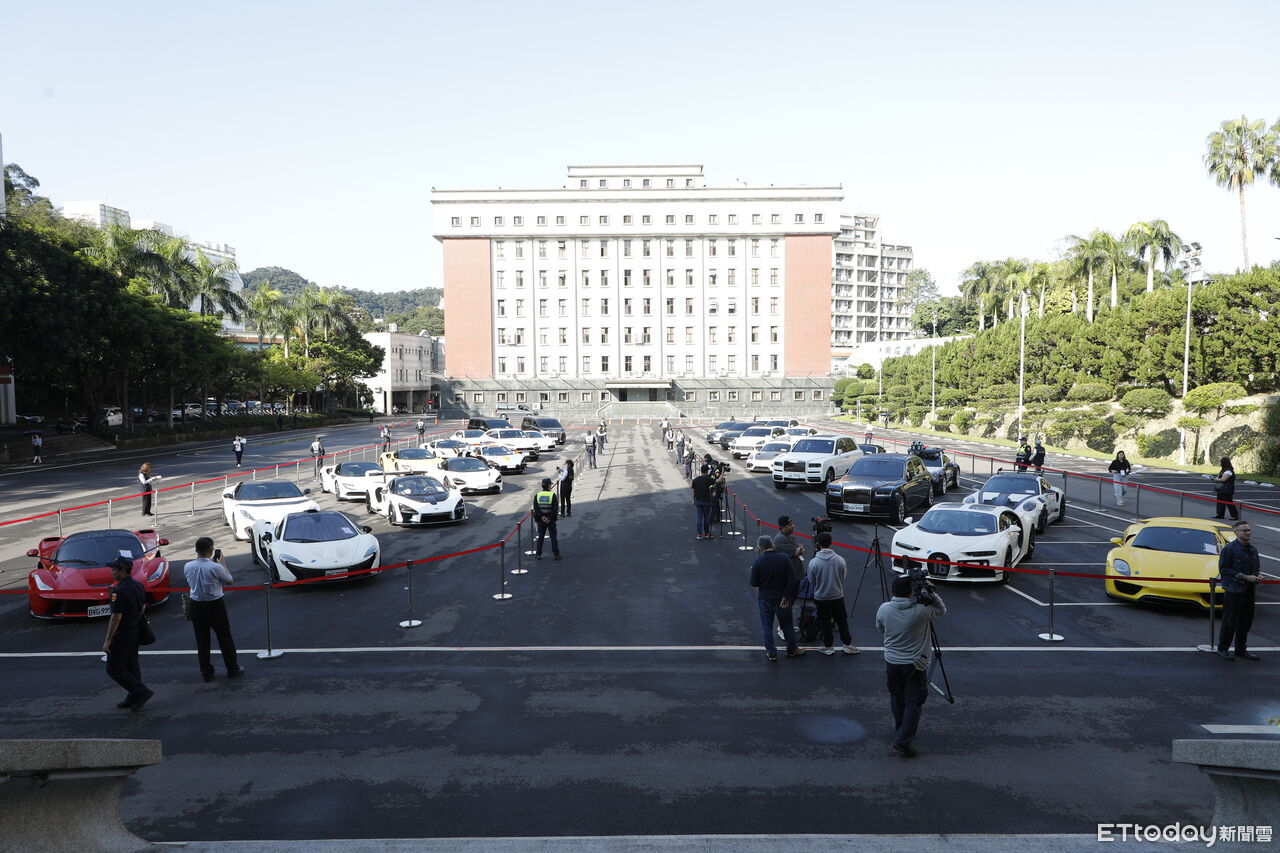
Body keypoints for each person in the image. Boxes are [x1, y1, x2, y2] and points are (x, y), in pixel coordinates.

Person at [876, 575, 947, 758]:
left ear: (893, 591)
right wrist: (931, 591)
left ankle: (901, 728)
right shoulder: (920, 611)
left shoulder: (884, 609)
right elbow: (941, 609)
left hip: (891, 661)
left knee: (897, 696)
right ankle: (903, 741)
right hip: (915, 663)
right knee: (914, 702)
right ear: (911, 592)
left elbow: (880, 629)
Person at [184, 537, 244, 682]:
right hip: (214, 604)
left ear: (196, 550)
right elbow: (229, 580)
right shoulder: (215, 567)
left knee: (202, 640)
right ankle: (232, 669)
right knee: (224, 637)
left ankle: (206, 671)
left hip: (196, 604)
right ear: (211, 550)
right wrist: (222, 564)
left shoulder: (188, 566)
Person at [103, 556, 153, 711]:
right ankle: (134, 696)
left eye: (114, 569)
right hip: (135, 630)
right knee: (132, 665)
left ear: (123, 570)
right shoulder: (138, 585)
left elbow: (115, 617)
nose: (111, 572)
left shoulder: (119, 590)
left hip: (123, 633)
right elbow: (143, 607)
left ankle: (141, 692)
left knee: (114, 668)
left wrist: (108, 640)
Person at [749, 536, 803, 662]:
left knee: (767, 627)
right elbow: (792, 579)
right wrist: (786, 596)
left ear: (760, 547)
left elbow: (754, 583)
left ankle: (771, 652)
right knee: (787, 625)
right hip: (782, 599)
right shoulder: (784, 558)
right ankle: (792, 649)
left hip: (765, 599)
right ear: (772, 544)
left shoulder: (758, 562)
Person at [807, 532, 859, 655]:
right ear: (831, 543)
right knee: (842, 620)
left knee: (825, 622)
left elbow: (811, 580)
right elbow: (843, 577)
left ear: (818, 544)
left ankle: (828, 646)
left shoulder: (814, 562)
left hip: (821, 597)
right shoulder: (840, 560)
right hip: (837, 595)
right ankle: (847, 644)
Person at [1217, 520, 1261, 661]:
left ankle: (1241, 649)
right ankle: (1223, 648)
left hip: (1249, 590)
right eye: (1244, 530)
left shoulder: (1253, 549)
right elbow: (1224, 569)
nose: (1248, 532)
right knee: (1230, 621)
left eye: (1249, 530)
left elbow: (1256, 567)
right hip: (1234, 591)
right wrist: (1244, 577)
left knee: (1246, 621)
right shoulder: (1229, 549)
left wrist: (1257, 576)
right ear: (1236, 533)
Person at [532, 477, 561, 559]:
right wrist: (549, 518)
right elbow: (555, 508)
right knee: (553, 537)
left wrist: (542, 517)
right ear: (548, 486)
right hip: (550, 520)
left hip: (540, 520)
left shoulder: (537, 495)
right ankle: (556, 554)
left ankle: (538, 554)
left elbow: (536, 508)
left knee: (540, 537)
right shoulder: (552, 495)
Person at [691, 465, 715, 540]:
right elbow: (718, 481)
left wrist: (693, 500)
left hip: (698, 500)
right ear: (707, 471)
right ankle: (706, 533)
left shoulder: (696, 480)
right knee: (706, 518)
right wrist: (723, 471)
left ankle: (699, 534)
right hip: (706, 501)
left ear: (701, 471)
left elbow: (693, 491)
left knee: (699, 518)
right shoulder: (708, 479)